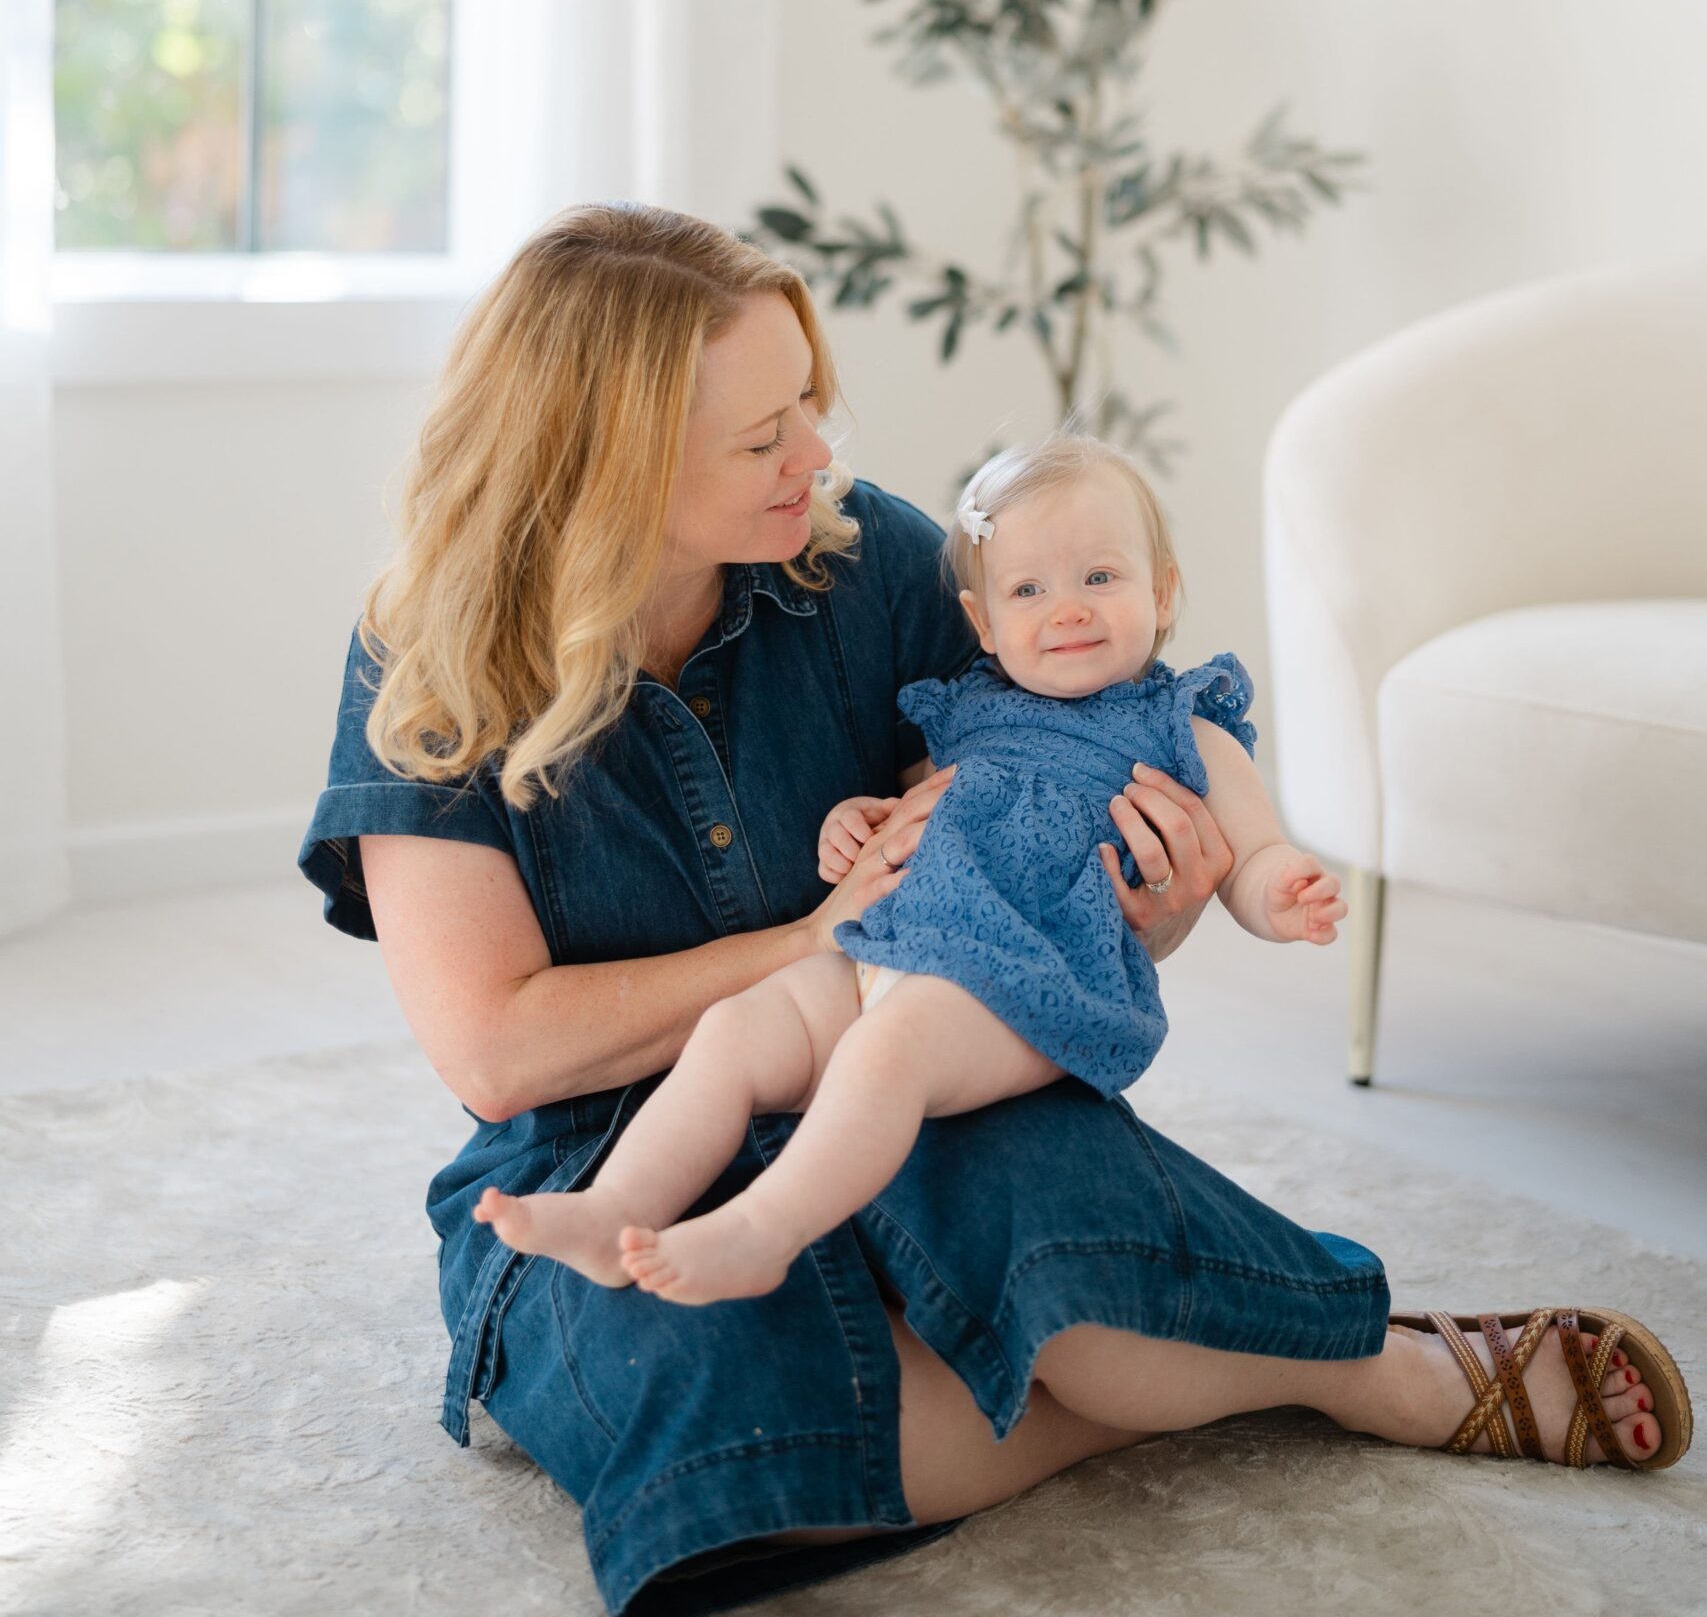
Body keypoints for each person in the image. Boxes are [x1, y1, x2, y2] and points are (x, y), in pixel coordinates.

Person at [298, 204, 1689, 1617]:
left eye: (807, 409)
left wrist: (1157, 907)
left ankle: (1368, 1366)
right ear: (608, 458)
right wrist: (802, 937)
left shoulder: (873, 566)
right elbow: (499, 1050)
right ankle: (1249, 1375)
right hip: (610, 1143)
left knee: (1052, 1254)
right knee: (727, 1454)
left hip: (922, 1061)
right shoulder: (431, 656)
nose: (816, 458)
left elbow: (1059, 813)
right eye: (761, 438)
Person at [470, 431, 1349, 1306]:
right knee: (738, 1027)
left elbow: (1248, 852)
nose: (1068, 609)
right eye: (1029, 589)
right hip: (892, 951)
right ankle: (614, 1207)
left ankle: (761, 1231)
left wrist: (1282, 893)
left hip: (1026, 988)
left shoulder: (1181, 727)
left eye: (1099, 578)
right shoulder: (971, 714)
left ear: (1161, 595)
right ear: (982, 623)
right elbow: (929, 812)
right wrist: (861, 824)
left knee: (886, 1052)